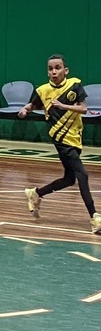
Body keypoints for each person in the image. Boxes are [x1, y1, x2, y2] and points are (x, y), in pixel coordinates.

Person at [19, 54, 101, 234]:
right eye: (50, 69)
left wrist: (64, 106)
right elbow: (33, 105)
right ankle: (95, 217)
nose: (54, 71)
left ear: (66, 70)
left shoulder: (74, 85)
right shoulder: (42, 90)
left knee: (69, 179)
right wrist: (25, 109)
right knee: (82, 175)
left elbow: (83, 108)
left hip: (75, 136)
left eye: (57, 68)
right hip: (60, 138)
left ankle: (36, 193)